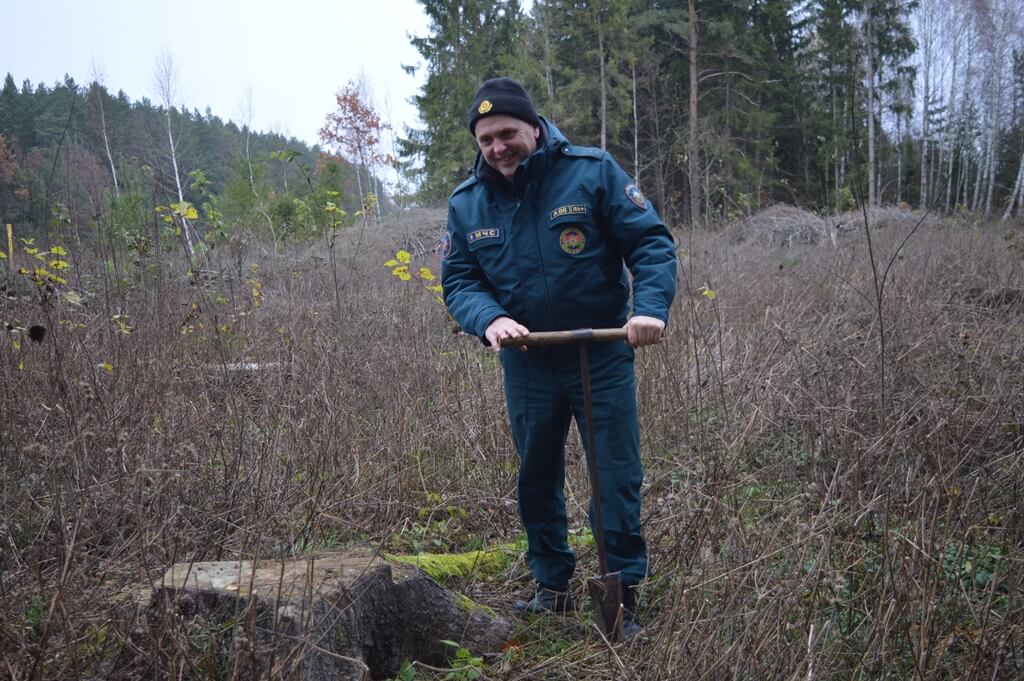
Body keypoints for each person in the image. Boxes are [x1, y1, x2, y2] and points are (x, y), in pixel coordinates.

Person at [441, 77, 677, 638]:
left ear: (534, 126)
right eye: (486, 140)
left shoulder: (592, 171)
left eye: (507, 134)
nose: (498, 148)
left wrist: (649, 308)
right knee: (536, 476)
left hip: (600, 354)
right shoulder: (467, 203)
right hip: (527, 362)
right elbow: (460, 280)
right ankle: (552, 586)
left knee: (613, 476)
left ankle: (622, 595)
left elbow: (650, 243)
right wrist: (490, 319)